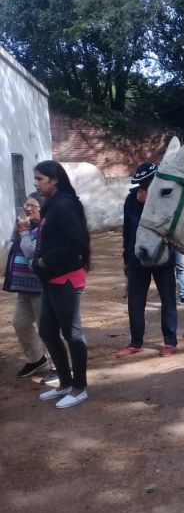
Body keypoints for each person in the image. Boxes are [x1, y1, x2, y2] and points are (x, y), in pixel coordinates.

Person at [31, 160, 91, 408]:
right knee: (46, 329)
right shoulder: (52, 205)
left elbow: (76, 241)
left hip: (65, 278)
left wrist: (46, 261)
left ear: (55, 179)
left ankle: (79, 387)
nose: (36, 183)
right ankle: (65, 382)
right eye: (36, 179)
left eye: (40, 179)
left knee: (72, 333)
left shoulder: (64, 205)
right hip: (50, 280)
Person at [117, 162, 179, 358]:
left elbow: (170, 225)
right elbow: (128, 231)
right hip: (137, 258)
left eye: (146, 183)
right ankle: (136, 342)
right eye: (141, 184)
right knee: (135, 301)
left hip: (163, 257)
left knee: (168, 299)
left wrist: (149, 201)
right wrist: (126, 258)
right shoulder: (131, 199)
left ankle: (170, 341)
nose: (143, 187)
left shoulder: (166, 197)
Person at [3, 192, 50, 378]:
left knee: (47, 328)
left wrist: (23, 232)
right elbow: (15, 246)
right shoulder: (25, 225)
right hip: (23, 287)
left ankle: (60, 366)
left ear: (42, 208)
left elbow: (31, 252)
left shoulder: (46, 228)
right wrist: (18, 230)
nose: (28, 208)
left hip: (40, 287)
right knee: (19, 323)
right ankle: (37, 360)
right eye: (26, 205)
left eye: (33, 205)